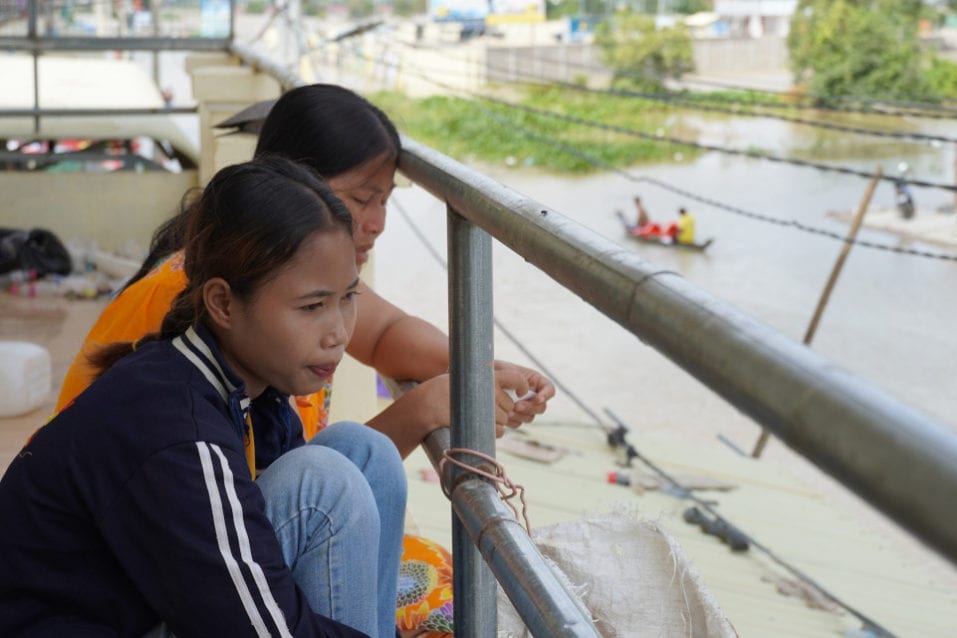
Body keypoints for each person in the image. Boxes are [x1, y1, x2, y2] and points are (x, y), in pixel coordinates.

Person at [0, 156, 405, 637]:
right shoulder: (178, 432)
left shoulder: (250, 391)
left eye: (348, 297)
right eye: (313, 306)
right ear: (222, 303)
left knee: (365, 453)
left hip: (149, 606)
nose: (338, 332)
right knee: (322, 483)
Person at [55, 83, 554, 458]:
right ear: (295, 187)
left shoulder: (260, 264)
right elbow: (274, 507)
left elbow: (385, 335)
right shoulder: (185, 300)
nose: (377, 224)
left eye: (386, 201)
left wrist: (481, 372)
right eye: (362, 200)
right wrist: (421, 410)